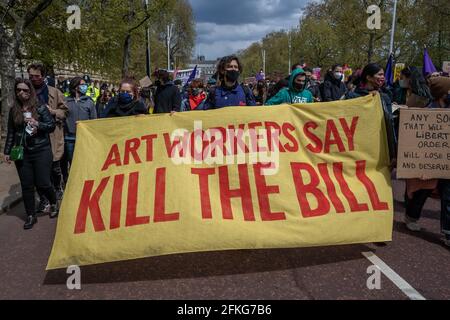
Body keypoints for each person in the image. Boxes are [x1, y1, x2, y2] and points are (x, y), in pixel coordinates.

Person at [3, 78, 59, 229]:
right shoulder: (14, 109)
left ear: (31, 91)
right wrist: (7, 152)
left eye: (25, 90)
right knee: (27, 185)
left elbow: (51, 126)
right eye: (18, 90)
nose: (22, 93)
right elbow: (11, 132)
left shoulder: (40, 107)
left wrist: (38, 125)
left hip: (41, 150)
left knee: (43, 183)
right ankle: (30, 215)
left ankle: (54, 202)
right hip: (22, 153)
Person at [403, 76, 450, 246]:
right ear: (442, 93)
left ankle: (448, 232)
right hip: (430, 160)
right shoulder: (426, 109)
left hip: (446, 160)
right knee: (423, 191)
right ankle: (411, 216)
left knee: (448, 195)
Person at [27, 63, 68, 207]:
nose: (33, 79)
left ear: (43, 77)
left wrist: (53, 112)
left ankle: (57, 188)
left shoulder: (54, 92)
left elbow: (65, 111)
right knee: (38, 169)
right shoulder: (26, 92)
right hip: (35, 136)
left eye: (37, 76)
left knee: (55, 166)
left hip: (53, 134)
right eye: (31, 76)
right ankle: (43, 199)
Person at [345, 63, 396, 160]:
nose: (383, 77)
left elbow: (389, 124)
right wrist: (367, 98)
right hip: (358, 144)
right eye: (380, 74)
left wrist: (392, 152)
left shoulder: (384, 97)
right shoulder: (352, 96)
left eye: (383, 75)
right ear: (369, 77)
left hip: (378, 144)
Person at [63, 77, 97, 177]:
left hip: (84, 139)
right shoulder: (66, 102)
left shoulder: (89, 102)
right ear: (75, 87)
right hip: (69, 139)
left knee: (84, 163)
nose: (85, 86)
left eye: (85, 84)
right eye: (82, 84)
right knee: (72, 164)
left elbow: (94, 121)